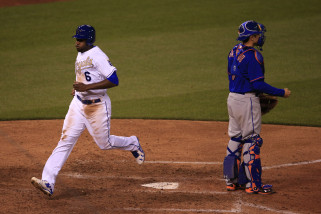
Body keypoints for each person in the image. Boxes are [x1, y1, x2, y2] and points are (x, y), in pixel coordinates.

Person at [31, 25, 145, 196]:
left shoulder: (98, 56)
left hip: (97, 106)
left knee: (104, 144)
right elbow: (85, 75)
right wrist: (78, 89)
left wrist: (86, 87)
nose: (77, 43)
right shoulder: (81, 53)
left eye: (80, 40)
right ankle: (48, 182)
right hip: (77, 105)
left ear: (89, 40)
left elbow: (114, 80)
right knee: (65, 140)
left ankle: (132, 143)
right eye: (76, 39)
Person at [223, 20, 291, 194]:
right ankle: (254, 185)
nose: (260, 37)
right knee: (252, 140)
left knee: (236, 137)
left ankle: (231, 181)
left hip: (232, 99)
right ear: (252, 37)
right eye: (258, 34)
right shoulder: (253, 56)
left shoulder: (233, 51)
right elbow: (258, 84)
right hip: (247, 102)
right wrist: (281, 92)